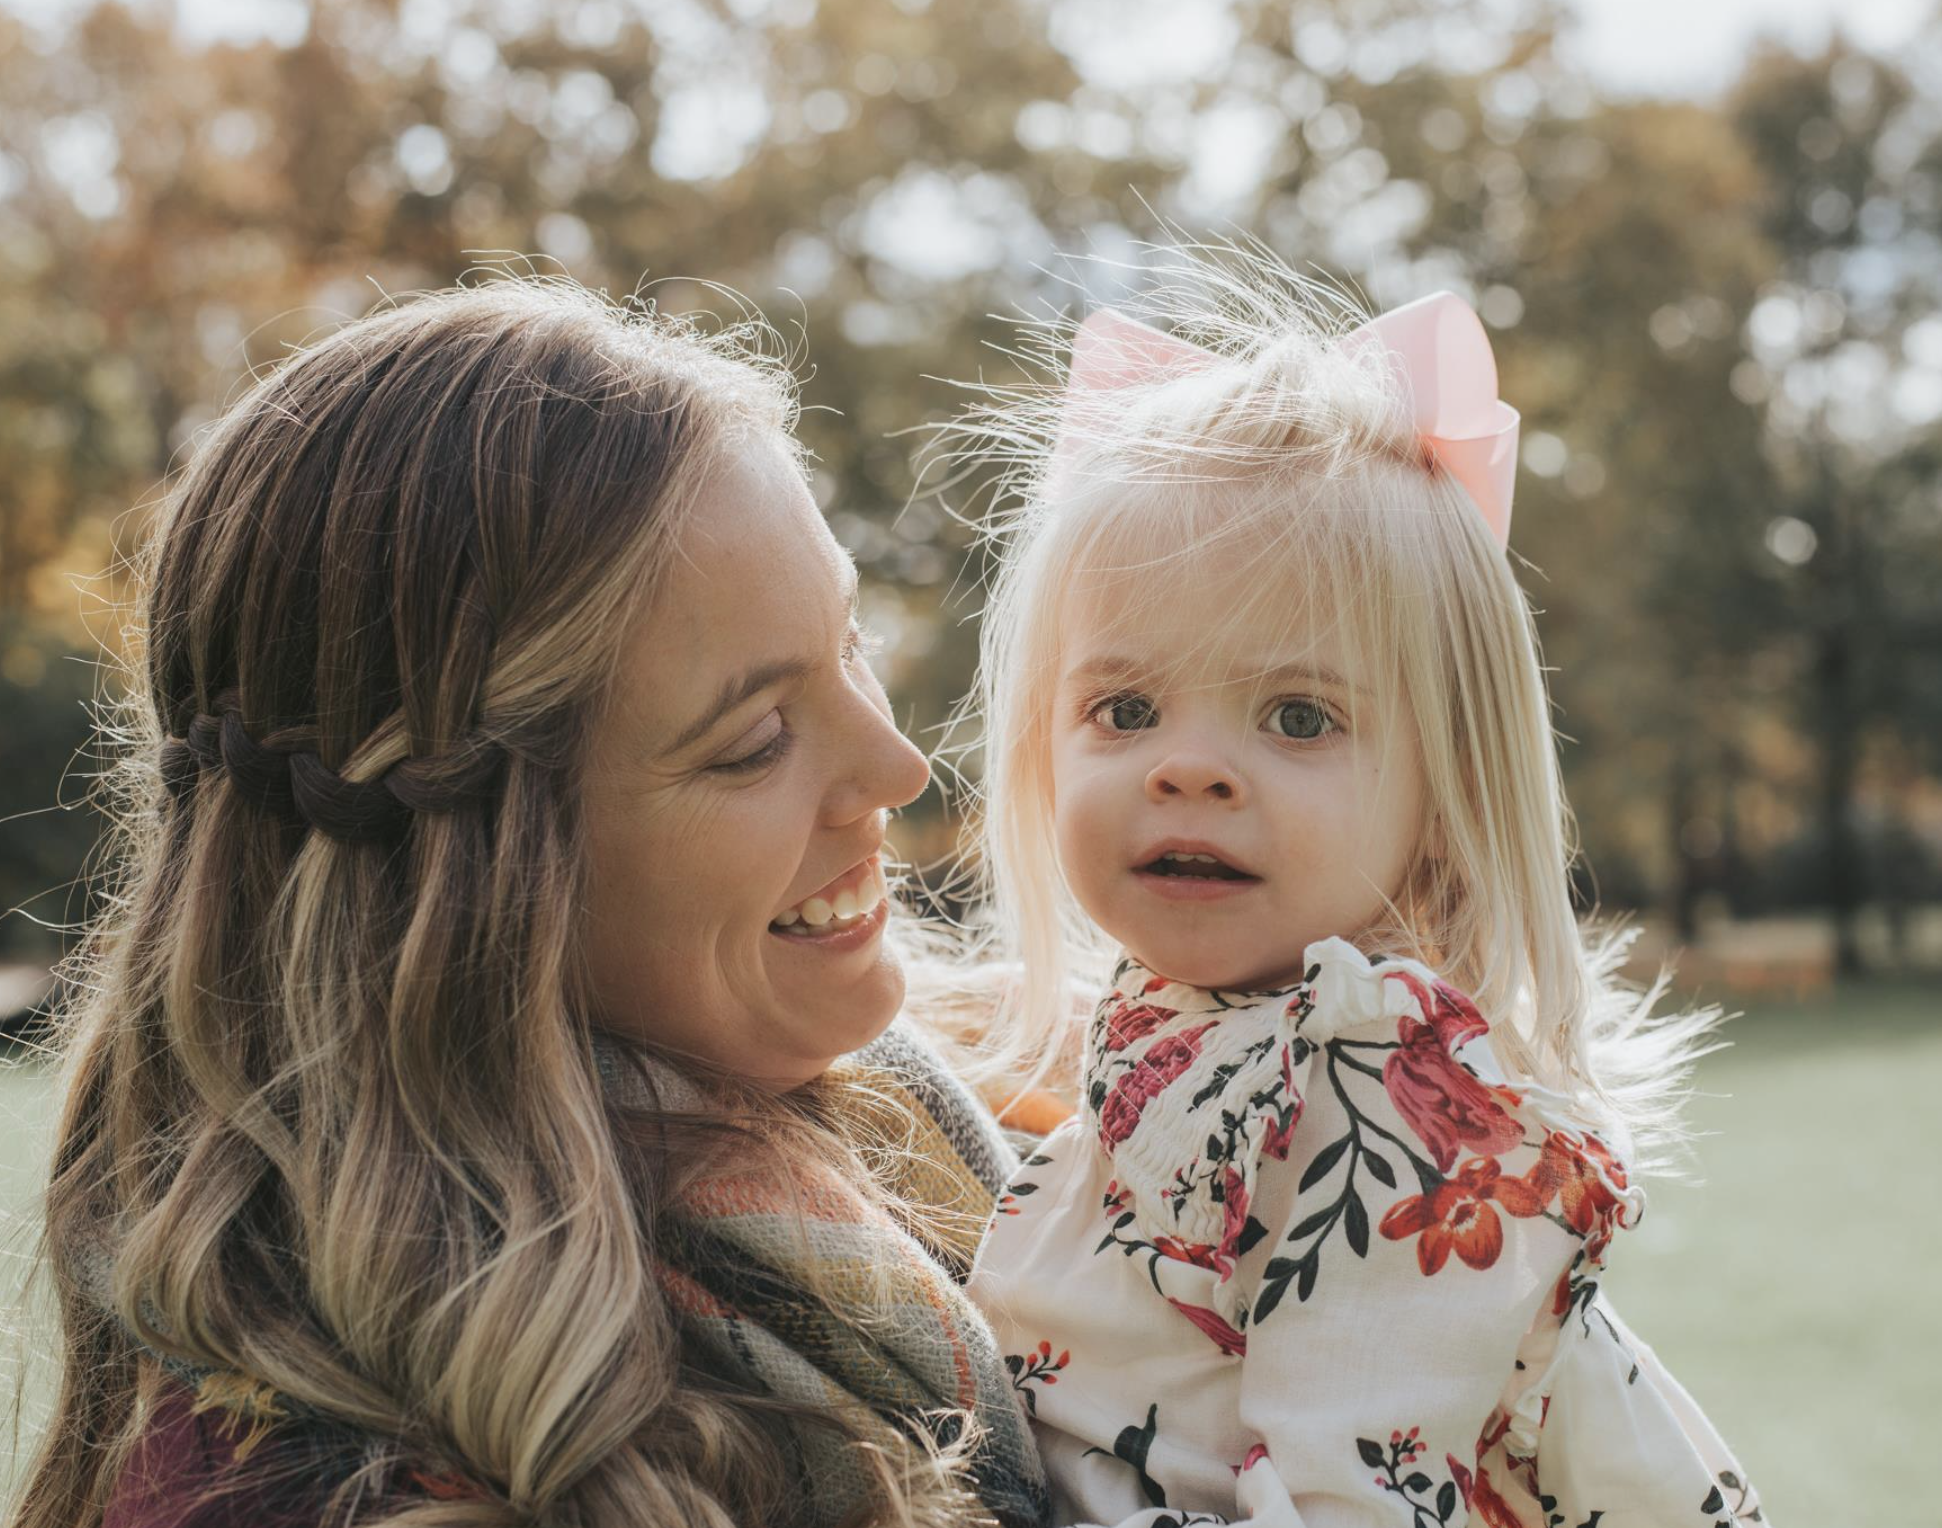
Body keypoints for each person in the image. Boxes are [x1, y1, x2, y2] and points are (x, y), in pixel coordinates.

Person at [13, 279, 1051, 1528]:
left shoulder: (1036, 1110)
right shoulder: (325, 1490)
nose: (898, 768)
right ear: (480, 891)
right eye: (756, 738)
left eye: (852, 642)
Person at [947, 252, 1767, 1527]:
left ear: (1444, 802)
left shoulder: (1396, 1114)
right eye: (1123, 707)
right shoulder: (1194, 1028)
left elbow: (1351, 1503)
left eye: (1296, 715)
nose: (1188, 769)